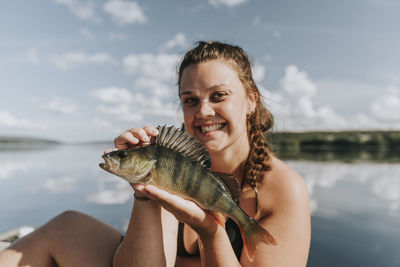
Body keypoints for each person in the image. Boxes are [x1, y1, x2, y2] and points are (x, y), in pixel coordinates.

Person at [0, 41, 310, 267]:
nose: (203, 111)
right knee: (65, 226)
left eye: (219, 96)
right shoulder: (171, 162)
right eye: (189, 100)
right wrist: (144, 193)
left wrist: (209, 231)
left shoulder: (284, 188)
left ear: (251, 99)